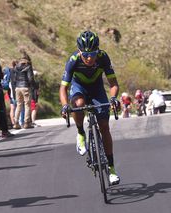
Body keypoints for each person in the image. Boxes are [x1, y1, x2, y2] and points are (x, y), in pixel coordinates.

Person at [59, 31, 120, 185]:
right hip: (79, 88)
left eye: (92, 54)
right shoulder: (73, 60)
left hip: (97, 89)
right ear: (80, 52)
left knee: (105, 127)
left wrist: (113, 98)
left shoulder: (103, 57)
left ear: (97, 50)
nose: (89, 58)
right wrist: (65, 106)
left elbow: (113, 84)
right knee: (78, 105)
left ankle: (112, 169)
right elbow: (63, 88)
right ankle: (80, 133)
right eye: (85, 54)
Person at [13, 52, 35, 129]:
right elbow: (30, 78)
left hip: (17, 87)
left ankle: (16, 123)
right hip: (25, 87)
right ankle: (27, 123)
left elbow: (14, 78)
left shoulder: (16, 67)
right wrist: (33, 86)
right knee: (27, 105)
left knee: (18, 104)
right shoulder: (28, 66)